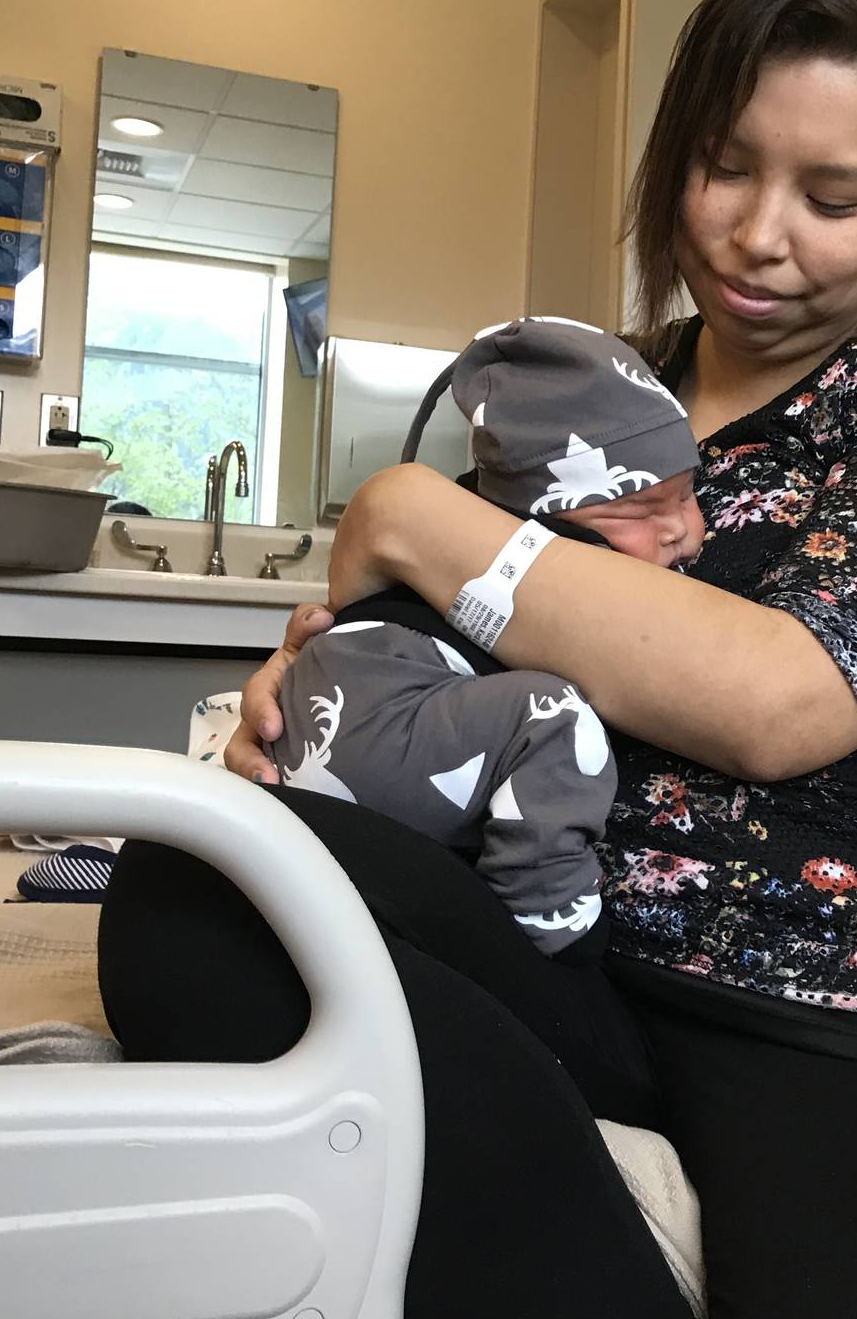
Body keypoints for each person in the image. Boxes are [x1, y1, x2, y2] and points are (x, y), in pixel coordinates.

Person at [99, 0, 857, 1319]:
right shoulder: (599, 394)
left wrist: (417, 517)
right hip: (585, 948)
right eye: (727, 166)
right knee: (203, 881)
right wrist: (309, 707)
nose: (757, 234)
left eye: (836, 196)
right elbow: (461, 643)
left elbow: (787, 696)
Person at [266, 316, 704, 963]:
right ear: (538, 521)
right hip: (381, 725)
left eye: (690, 496)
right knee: (555, 721)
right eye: (639, 509)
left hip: (328, 745)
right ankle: (552, 931)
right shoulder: (535, 553)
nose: (688, 532)